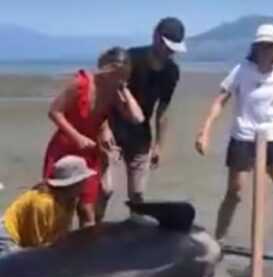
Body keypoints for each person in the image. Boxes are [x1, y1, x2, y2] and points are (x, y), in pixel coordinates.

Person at [195, 23, 273, 266]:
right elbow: (220, 100)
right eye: (263, 46)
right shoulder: (241, 71)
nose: (266, 50)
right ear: (255, 47)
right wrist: (205, 131)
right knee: (235, 193)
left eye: (271, 46)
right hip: (243, 137)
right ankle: (218, 241)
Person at [43, 47, 145, 228]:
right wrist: (77, 137)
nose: (118, 78)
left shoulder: (115, 94)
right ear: (105, 68)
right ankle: (58, 249)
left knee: (87, 210)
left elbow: (138, 118)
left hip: (89, 153)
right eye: (115, 72)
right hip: (64, 150)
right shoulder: (81, 83)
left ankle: (85, 251)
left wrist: (125, 90)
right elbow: (54, 111)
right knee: (59, 209)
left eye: (123, 75)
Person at [108, 17, 186, 205]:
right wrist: (104, 130)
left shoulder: (171, 72)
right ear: (155, 37)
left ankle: (135, 231)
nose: (169, 52)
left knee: (138, 196)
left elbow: (163, 110)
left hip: (141, 136)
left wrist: (159, 145)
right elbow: (105, 96)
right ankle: (93, 232)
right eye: (167, 46)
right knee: (105, 190)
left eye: (173, 49)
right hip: (113, 130)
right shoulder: (130, 59)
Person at [1, 156, 96, 254]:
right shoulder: (43, 203)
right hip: (7, 237)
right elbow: (34, 243)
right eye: (83, 180)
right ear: (73, 184)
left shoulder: (70, 200)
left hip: (27, 240)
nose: (86, 183)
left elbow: (62, 235)